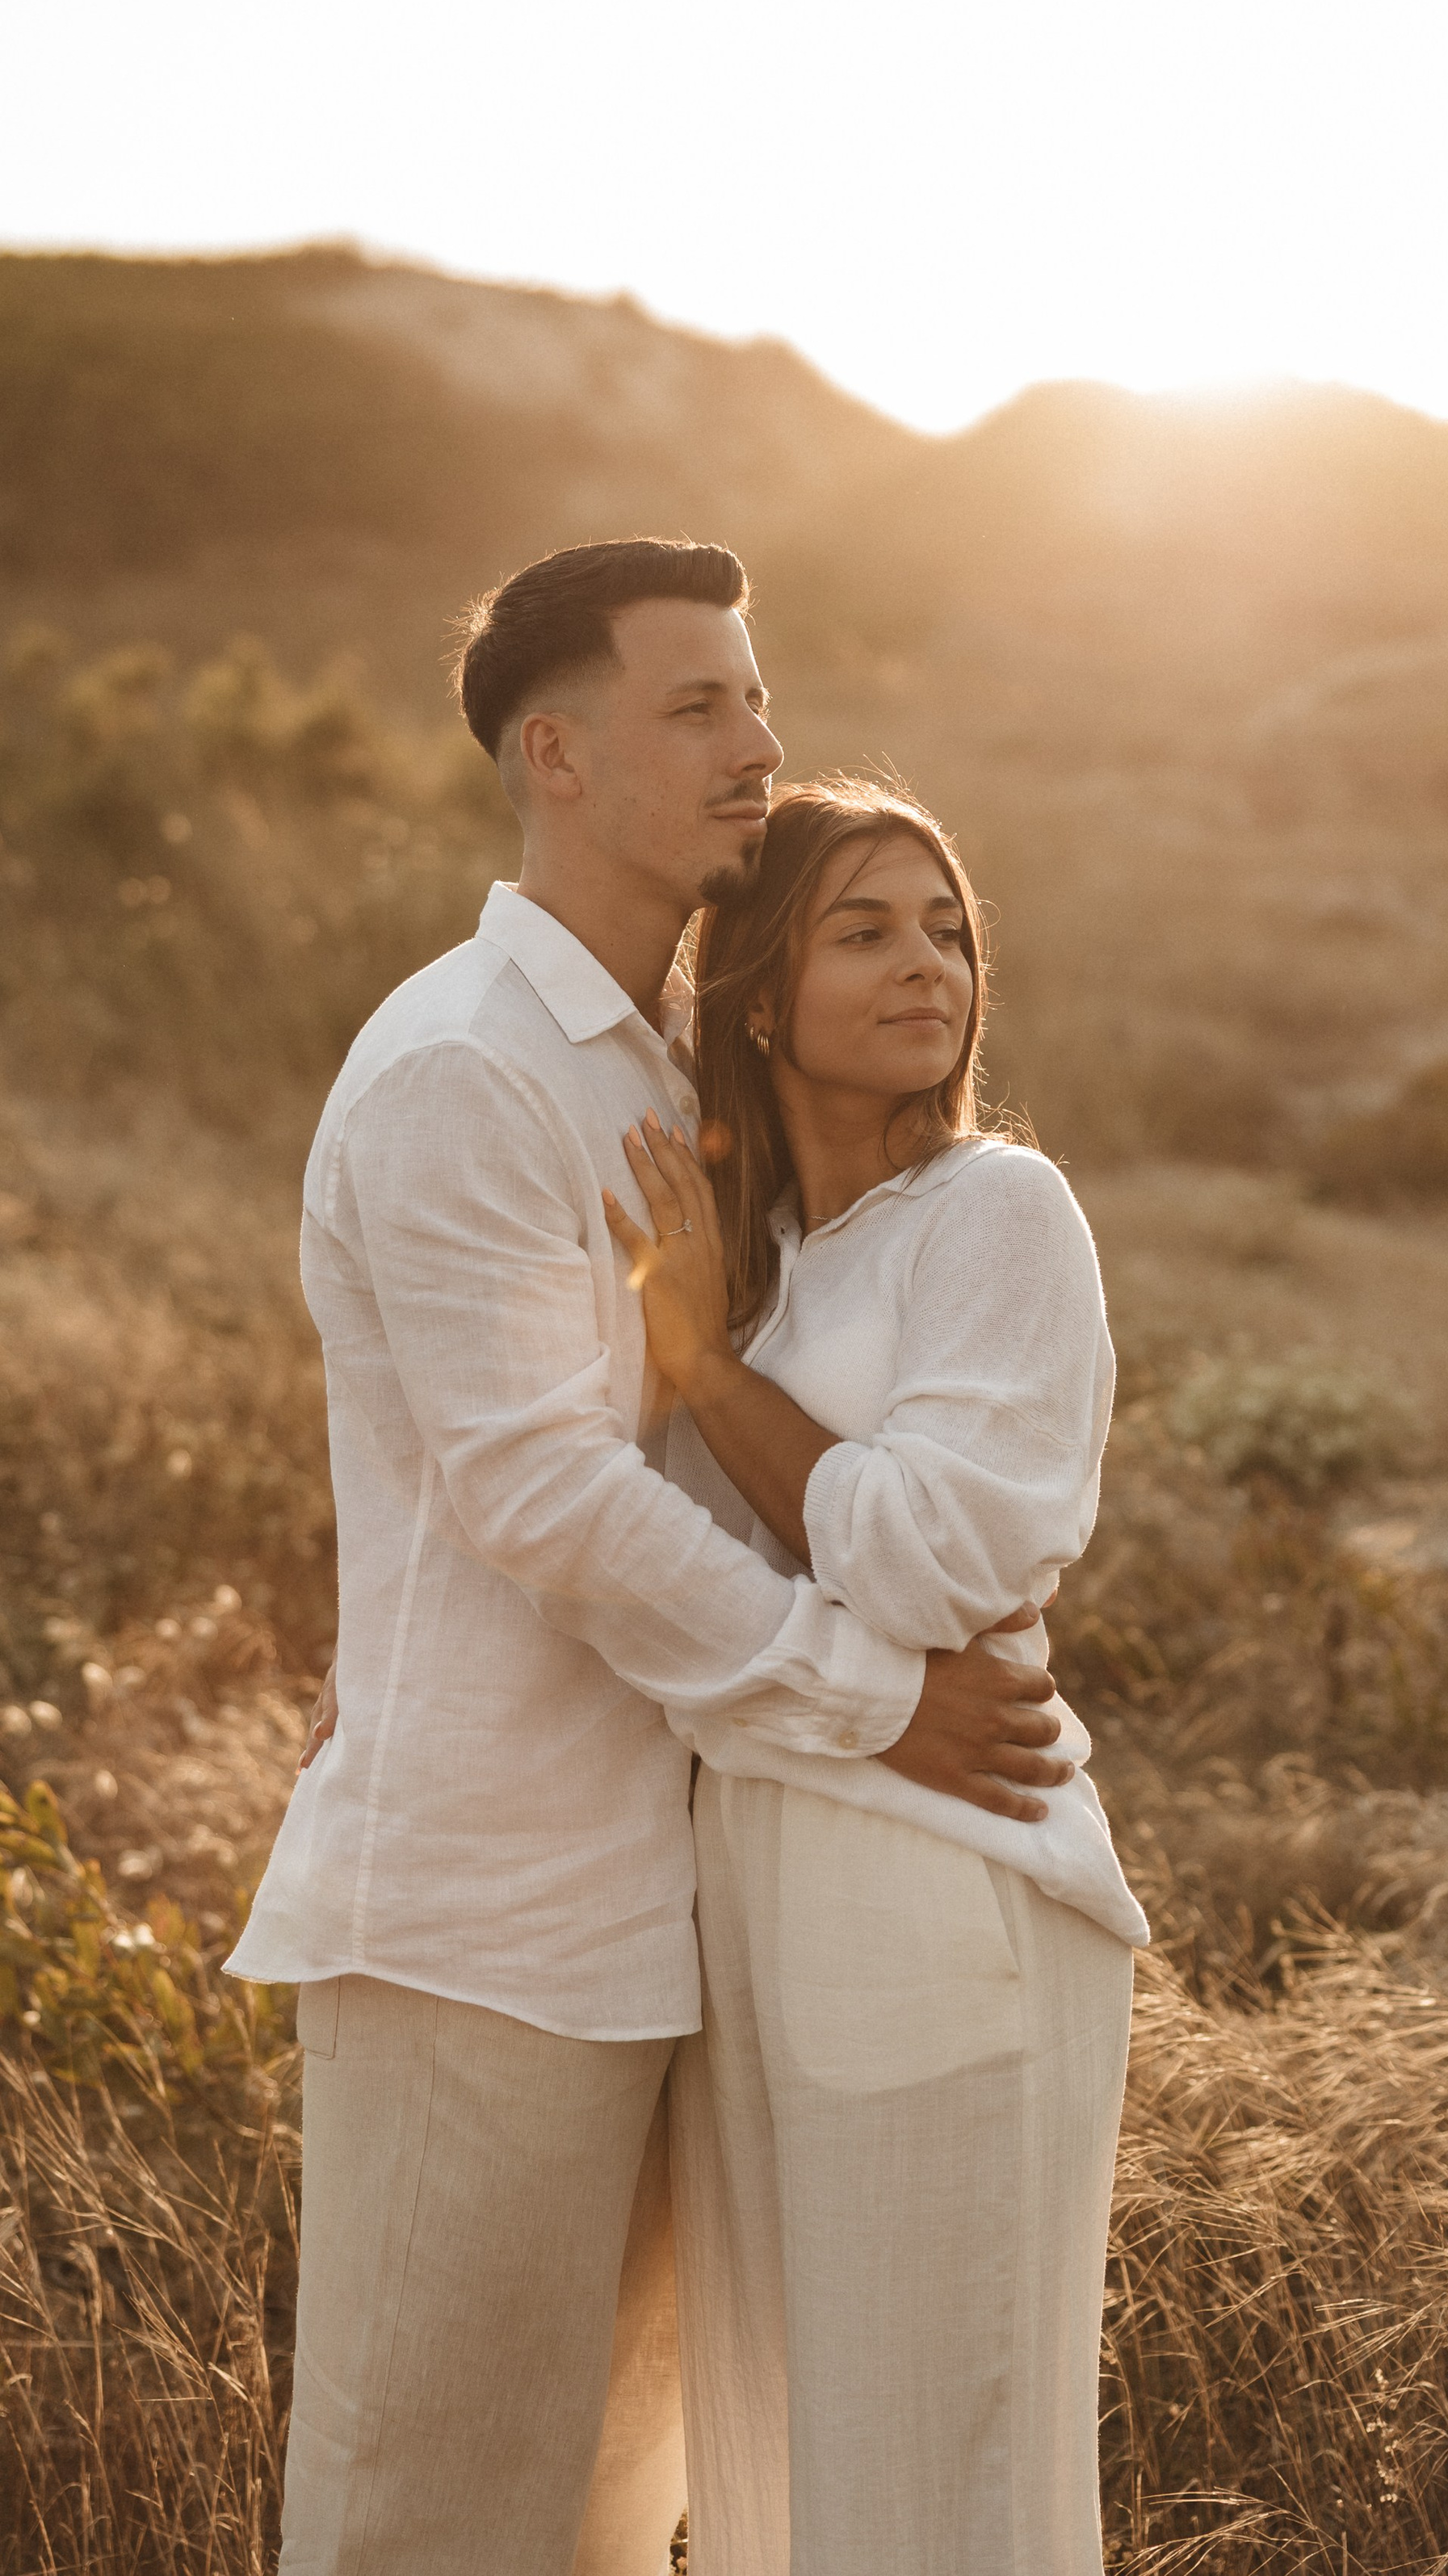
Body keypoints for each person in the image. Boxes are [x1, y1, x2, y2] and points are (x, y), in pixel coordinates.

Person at [225, 541, 1074, 2576]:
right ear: (556, 755)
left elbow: (777, 1403)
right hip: (488, 1917)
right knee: (426, 2526)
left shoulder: (689, 1055)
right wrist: (874, 1702)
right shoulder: (463, 1066)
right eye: (697, 705)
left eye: (756, 697)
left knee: (606, 2531)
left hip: (683, 1918)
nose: (756, 744)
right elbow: (540, 1494)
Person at [602, 776, 1149, 2576]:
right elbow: (670, 1603)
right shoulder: (759, 1270)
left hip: (941, 1874)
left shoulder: (996, 1210)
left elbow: (926, 1556)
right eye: (866, 931)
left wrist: (706, 1375)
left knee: (937, 2479)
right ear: (759, 997)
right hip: (752, 1889)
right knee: (794, 2478)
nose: (928, 964)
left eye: (947, 930)